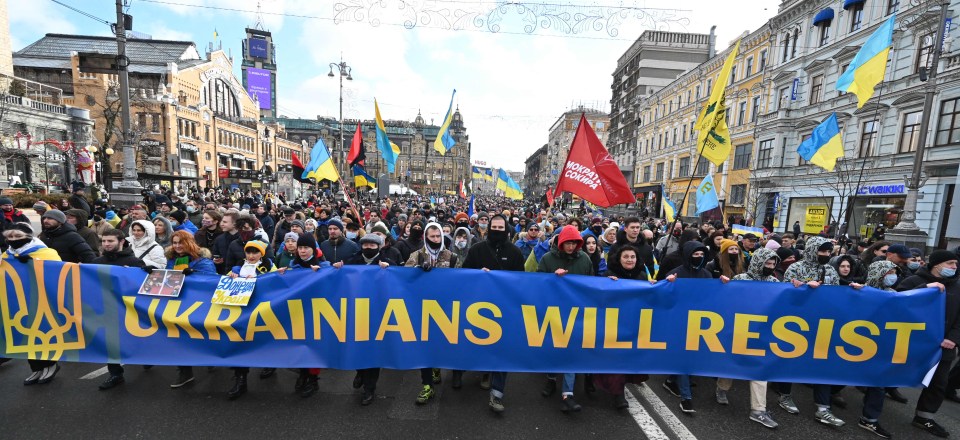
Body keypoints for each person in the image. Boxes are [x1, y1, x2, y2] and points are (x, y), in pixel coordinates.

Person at [777, 236, 844, 426]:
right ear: (812, 250)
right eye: (822, 251)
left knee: (823, 362)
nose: (826, 255)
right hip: (796, 323)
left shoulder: (830, 269)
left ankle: (823, 408)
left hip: (822, 323)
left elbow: (837, 294)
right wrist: (805, 287)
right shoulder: (795, 268)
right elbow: (784, 294)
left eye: (829, 252)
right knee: (790, 359)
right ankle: (784, 395)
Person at [461, 213, 525, 413]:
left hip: (504, 308)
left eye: (501, 228)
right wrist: (478, 276)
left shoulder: (515, 252)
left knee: (503, 350)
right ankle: (477, 370)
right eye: (494, 227)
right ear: (489, 228)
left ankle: (497, 394)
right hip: (478, 309)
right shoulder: (476, 250)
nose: (497, 231)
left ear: (506, 230)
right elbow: (463, 275)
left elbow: (521, 281)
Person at [662, 241, 729, 414]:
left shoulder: (706, 274)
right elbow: (662, 297)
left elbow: (712, 297)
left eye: (701, 255)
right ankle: (686, 398)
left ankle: (671, 380)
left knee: (692, 360)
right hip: (679, 323)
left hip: (700, 325)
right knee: (684, 360)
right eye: (695, 254)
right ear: (687, 254)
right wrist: (667, 284)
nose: (698, 258)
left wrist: (722, 285)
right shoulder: (675, 273)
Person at [897, 250, 958, 438]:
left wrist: (954, 338)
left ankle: (924, 417)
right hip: (909, 341)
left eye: (955, 264)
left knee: (939, 383)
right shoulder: (914, 281)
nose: (954, 267)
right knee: (890, 373)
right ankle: (871, 411)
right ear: (936, 264)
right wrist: (925, 288)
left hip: (942, 346)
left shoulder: (957, 286)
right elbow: (897, 302)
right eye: (950, 263)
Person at [721, 247, 781, 428]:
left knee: (759, 370)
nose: (770, 267)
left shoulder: (775, 282)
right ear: (758, 263)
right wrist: (724, 285)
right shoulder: (741, 279)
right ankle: (722, 388)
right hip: (739, 330)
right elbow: (727, 301)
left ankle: (758, 411)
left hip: (761, 334)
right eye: (767, 263)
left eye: (773, 264)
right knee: (732, 366)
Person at [538, 225, 593, 412]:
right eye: (568, 243)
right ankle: (551, 380)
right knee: (554, 348)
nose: (571, 247)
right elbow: (537, 283)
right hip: (553, 312)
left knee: (571, 351)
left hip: (577, 312)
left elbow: (591, 281)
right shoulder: (548, 259)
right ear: (561, 243)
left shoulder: (584, 259)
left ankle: (567, 394)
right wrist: (553, 279)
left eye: (574, 243)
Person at [2, 222, 63, 385]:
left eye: (18, 236)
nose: (13, 240)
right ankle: (36, 369)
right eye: (10, 236)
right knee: (26, 336)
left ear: (29, 237)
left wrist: (33, 263)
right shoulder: (7, 255)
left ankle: (50, 365)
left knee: (43, 334)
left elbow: (58, 274)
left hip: (42, 302)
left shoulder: (47, 253)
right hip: (19, 303)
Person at [404, 222, 457, 405]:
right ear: (426, 237)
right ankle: (427, 385)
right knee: (423, 347)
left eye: (438, 236)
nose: (435, 239)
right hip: (421, 309)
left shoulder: (451, 257)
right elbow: (403, 278)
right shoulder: (416, 255)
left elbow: (462, 280)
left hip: (445, 310)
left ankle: (436, 366)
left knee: (440, 343)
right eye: (432, 236)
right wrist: (417, 271)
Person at [334, 233, 390, 405]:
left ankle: (369, 388)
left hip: (377, 315)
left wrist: (390, 268)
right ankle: (360, 371)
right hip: (355, 313)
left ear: (379, 247)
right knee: (357, 346)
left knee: (373, 351)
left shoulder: (386, 263)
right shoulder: (351, 262)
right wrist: (335, 268)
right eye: (366, 245)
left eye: (373, 245)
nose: (368, 248)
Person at [596, 245, 650, 409]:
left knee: (630, 357)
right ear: (619, 259)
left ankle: (624, 383)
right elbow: (600, 297)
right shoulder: (610, 276)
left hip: (634, 323)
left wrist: (655, 286)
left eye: (632, 257)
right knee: (616, 359)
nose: (629, 260)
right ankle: (618, 394)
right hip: (614, 324)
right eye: (625, 257)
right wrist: (608, 285)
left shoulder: (641, 276)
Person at [92, 229, 146, 390]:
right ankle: (115, 373)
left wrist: (133, 275)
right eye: (104, 241)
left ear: (121, 241)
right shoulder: (96, 263)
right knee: (110, 343)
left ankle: (147, 357)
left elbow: (143, 287)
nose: (106, 244)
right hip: (106, 309)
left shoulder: (135, 262)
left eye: (110, 241)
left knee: (135, 339)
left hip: (129, 310)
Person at [163, 231, 217, 390]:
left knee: (201, 334)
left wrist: (194, 276)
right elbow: (167, 279)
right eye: (175, 242)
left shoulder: (203, 261)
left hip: (198, 304)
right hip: (177, 304)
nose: (177, 246)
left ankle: (211, 357)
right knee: (179, 337)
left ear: (190, 242)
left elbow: (210, 282)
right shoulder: (172, 260)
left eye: (181, 242)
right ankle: (185, 372)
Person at [278, 233, 330, 398]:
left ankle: (313, 379)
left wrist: (321, 273)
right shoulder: (293, 267)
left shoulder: (323, 266)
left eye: (306, 248)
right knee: (299, 344)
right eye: (300, 247)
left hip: (316, 313)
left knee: (313, 346)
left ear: (313, 250)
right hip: (298, 313)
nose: (302, 251)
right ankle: (303, 374)